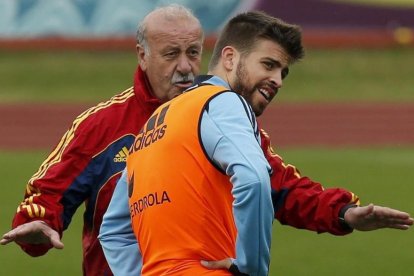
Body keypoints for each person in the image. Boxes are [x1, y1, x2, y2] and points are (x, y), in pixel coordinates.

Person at [99, 11, 413, 275]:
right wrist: (251, 267)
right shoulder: (224, 102)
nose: (277, 79)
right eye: (268, 65)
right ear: (230, 57)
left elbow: (113, 230)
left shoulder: (156, 123)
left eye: (283, 72)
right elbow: (254, 179)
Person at [0, 4, 204, 276]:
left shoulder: (225, 117)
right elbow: (48, 194)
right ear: (143, 56)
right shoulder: (100, 127)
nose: (185, 66)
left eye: (193, 53)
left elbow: (274, 181)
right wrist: (39, 221)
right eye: (171, 54)